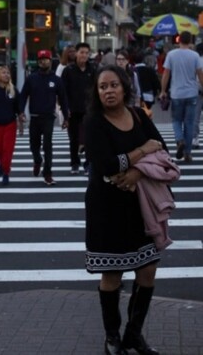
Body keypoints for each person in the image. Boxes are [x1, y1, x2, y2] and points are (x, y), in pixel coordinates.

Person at [84, 64, 167, 355]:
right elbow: (106, 164)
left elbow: (163, 146)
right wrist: (143, 151)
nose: (108, 90)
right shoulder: (93, 122)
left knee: (147, 270)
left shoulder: (137, 115)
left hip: (140, 204)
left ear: (124, 87)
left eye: (113, 85)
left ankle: (133, 334)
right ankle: (112, 337)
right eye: (103, 86)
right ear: (97, 92)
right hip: (106, 207)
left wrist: (136, 173)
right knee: (112, 275)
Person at [20, 49, 70, 185]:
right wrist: (21, 112)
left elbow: (63, 100)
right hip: (34, 117)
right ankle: (37, 160)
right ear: (38, 62)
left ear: (50, 60)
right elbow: (23, 95)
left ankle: (47, 173)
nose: (43, 62)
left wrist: (66, 118)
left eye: (46, 59)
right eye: (41, 60)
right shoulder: (31, 78)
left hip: (49, 117)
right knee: (33, 145)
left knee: (48, 146)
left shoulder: (56, 80)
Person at [158, 31, 203, 163]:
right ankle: (188, 153)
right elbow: (200, 74)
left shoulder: (171, 55)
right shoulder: (195, 55)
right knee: (189, 123)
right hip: (192, 93)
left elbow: (166, 74)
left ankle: (179, 140)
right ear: (190, 41)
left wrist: (163, 90)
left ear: (178, 40)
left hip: (176, 94)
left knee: (176, 120)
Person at [61, 42, 94, 174]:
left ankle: (88, 163)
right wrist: (65, 108)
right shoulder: (68, 70)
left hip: (89, 109)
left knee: (89, 138)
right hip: (72, 109)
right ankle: (74, 162)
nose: (84, 55)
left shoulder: (93, 69)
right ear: (76, 53)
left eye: (86, 53)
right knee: (73, 138)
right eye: (82, 52)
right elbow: (63, 91)